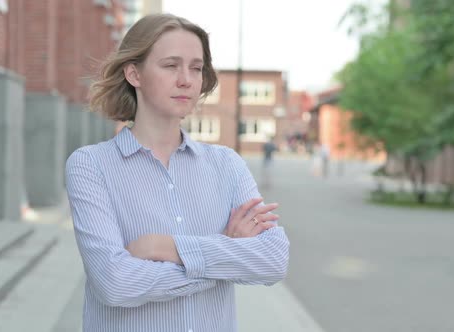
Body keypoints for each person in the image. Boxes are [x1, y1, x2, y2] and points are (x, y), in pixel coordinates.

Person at [65, 14, 289, 332]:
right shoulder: (91, 166)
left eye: (196, 68)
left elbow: (273, 259)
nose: (186, 79)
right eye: (171, 65)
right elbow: (114, 283)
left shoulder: (227, 164)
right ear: (134, 73)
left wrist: (167, 248)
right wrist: (224, 247)